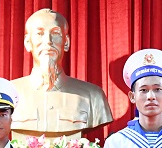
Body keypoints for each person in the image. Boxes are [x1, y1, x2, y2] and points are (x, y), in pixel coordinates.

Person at [11, 8, 114, 139]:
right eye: (39, 33)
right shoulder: (8, 93)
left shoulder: (93, 96)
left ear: (66, 42)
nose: (48, 41)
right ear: (27, 43)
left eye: (55, 33)